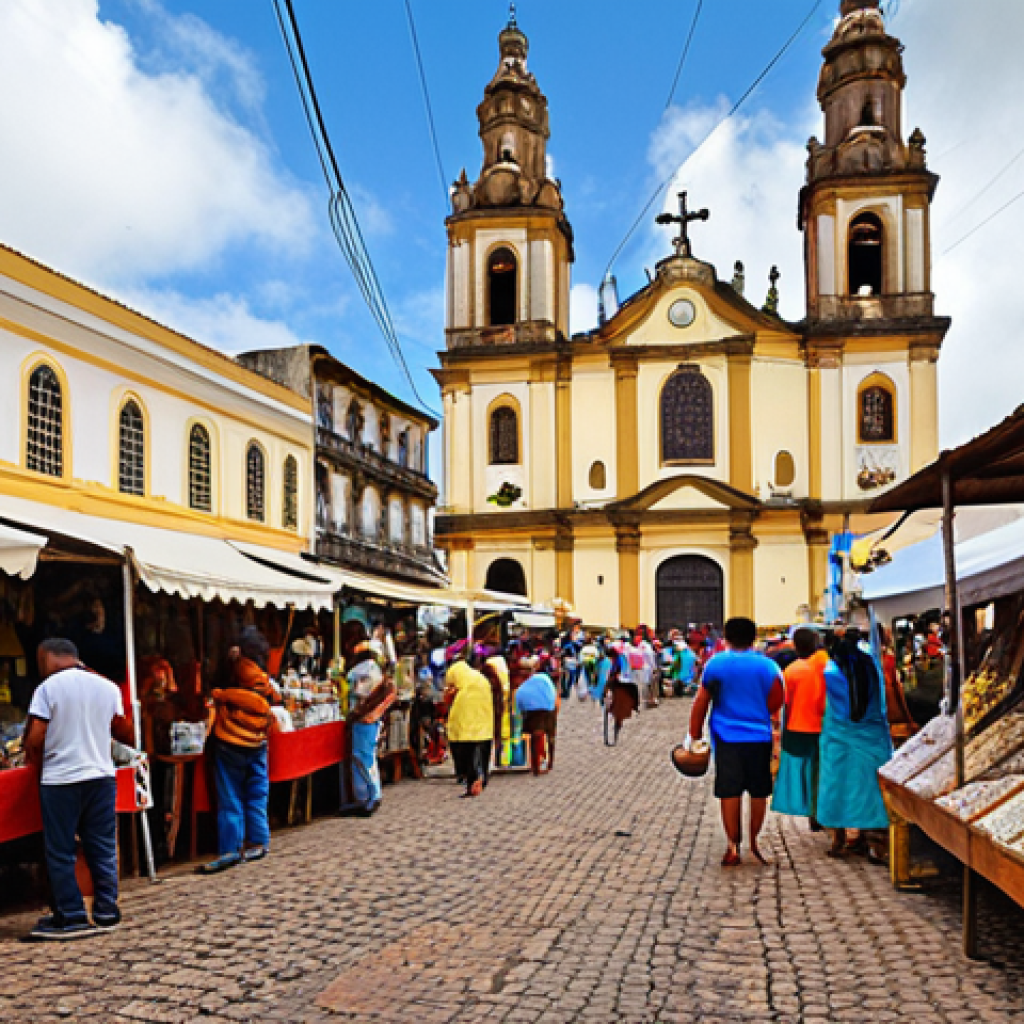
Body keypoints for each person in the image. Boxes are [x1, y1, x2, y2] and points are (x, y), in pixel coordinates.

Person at [22, 638, 134, 940]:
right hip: (101, 775)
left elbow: (36, 736)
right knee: (102, 846)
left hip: (61, 779)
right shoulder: (107, 687)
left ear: (48, 658)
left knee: (61, 850)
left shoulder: (48, 689)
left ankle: (71, 915)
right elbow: (122, 728)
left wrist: (35, 758)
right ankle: (107, 911)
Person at [689, 617, 784, 867]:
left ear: (726, 638)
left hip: (726, 736)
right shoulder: (768, 666)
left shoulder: (716, 664)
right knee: (759, 791)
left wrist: (694, 734)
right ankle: (754, 840)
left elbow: (702, 701)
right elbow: (776, 700)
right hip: (759, 736)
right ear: (753, 638)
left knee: (729, 791)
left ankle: (732, 845)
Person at [200, 626, 278, 873]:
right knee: (257, 792)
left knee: (230, 796)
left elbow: (237, 697)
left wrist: (220, 695)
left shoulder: (237, 670)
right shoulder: (264, 678)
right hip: (257, 741)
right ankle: (258, 841)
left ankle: (231, 848)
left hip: (230, 740)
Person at [816, 627, 893, 859]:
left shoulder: (831, 671)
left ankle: (840, 840)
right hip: (872, 736)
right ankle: (875, 843)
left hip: (838, 736)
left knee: (836, 787)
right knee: (870, 789)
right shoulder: (871, 667)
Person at [771, 628, 828, 829]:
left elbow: (784, 704)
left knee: (805, 771)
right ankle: (820, 811)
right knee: (822, 771)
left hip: (798, 727)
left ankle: (812, 811)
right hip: (825, 727)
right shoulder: (826, 665)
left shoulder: (791, 671)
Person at [445, 658, 494, 797]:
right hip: (483, 719)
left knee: (466, 751)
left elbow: (448, 696)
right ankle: (482, 777)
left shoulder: (454, 672)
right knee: (482, 748)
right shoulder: (480, 678)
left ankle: (471, 780)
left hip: (464, 720)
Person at [514, 656, 558, 775]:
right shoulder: (543, 678)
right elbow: (553, 693)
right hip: (548, 711)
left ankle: (536, 766)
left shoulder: (521, 688)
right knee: (550, 737)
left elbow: (519, 706)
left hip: (532, 714)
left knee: (534, 737)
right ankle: (548, 763)